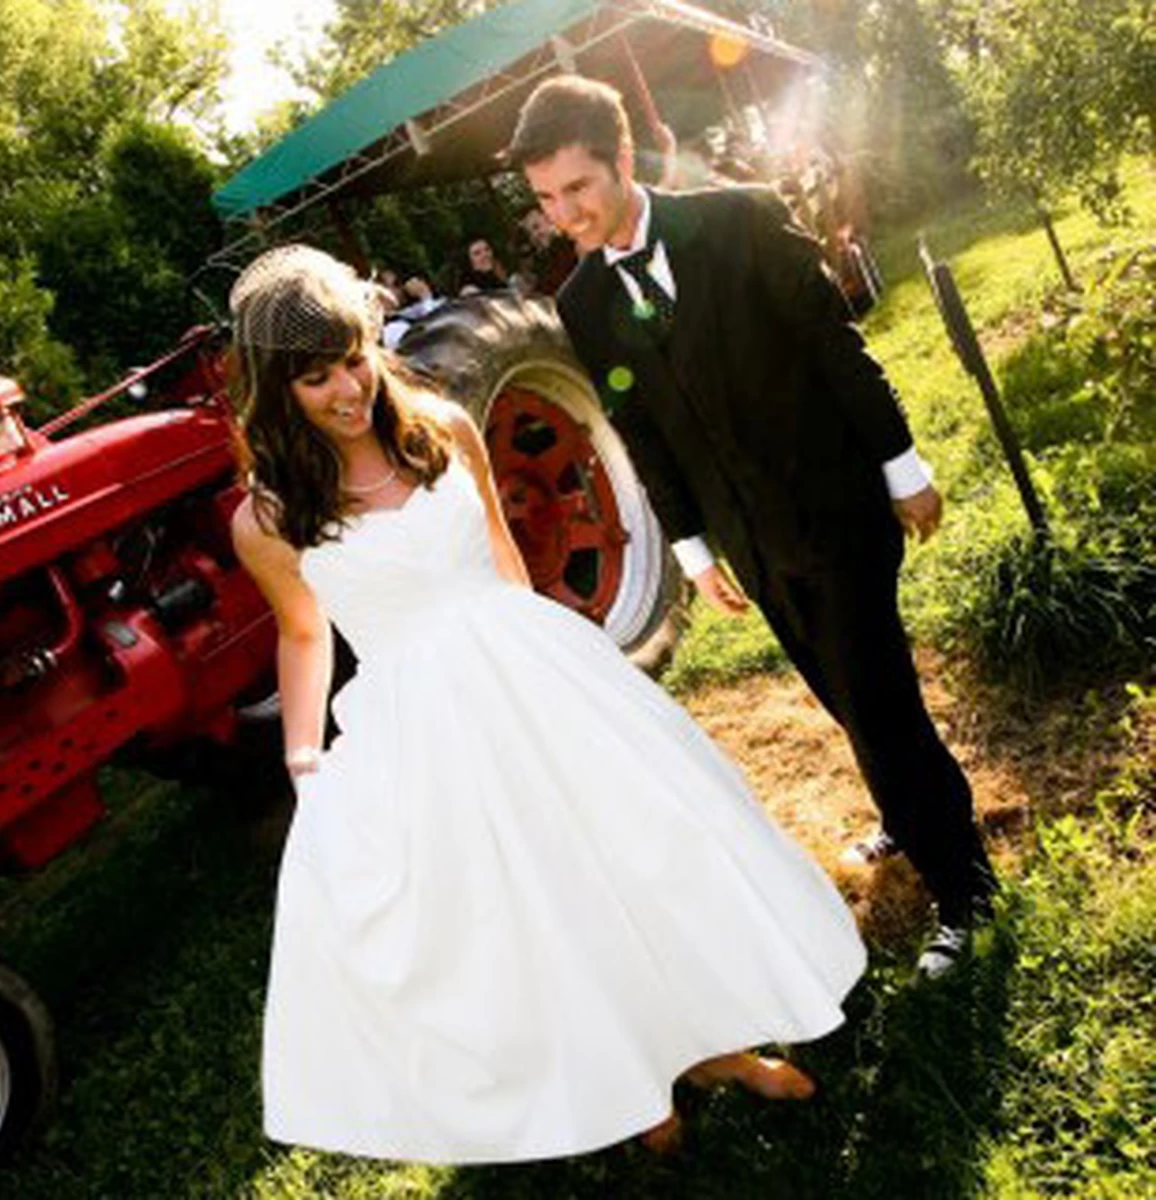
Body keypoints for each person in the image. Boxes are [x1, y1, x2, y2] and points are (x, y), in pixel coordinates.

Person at [229, 243, 865, 1164]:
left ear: (375, 341)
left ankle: (716, 1048)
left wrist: (556, 662)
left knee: (639, 856)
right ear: (276, 390)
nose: (346, 388)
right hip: (425, 727)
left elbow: (504, 555)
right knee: (532, 909)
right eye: (316, 377)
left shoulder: (444, 427)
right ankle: (629, 1087)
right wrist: (303, 759)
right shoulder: (270, 518)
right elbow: (302, 632)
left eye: (354, 358)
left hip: (534, 677)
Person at [510, 75, 997, 979]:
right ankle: (905, 814)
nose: (564, 214)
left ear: (621, 160)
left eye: (577, 187)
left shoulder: (738, 220)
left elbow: (834, 345)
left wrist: (904, 468)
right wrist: (694, 550)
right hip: (749, 538)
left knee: (881, 704)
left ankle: (965, 891)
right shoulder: (581, 303)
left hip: (838, 503)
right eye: (545, 199)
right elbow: (643, 432)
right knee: (836, 687)